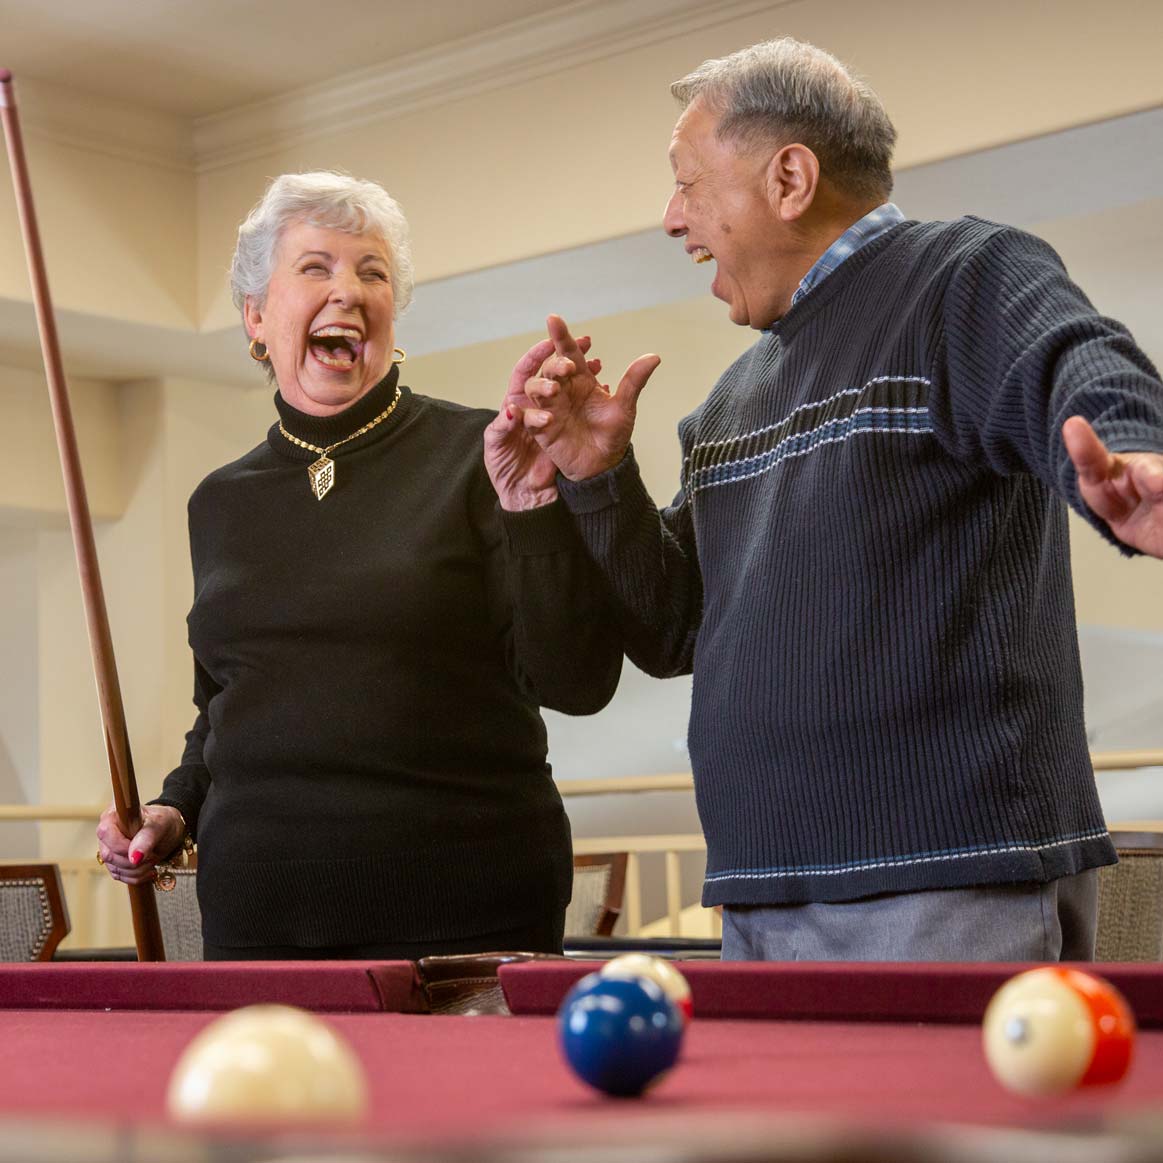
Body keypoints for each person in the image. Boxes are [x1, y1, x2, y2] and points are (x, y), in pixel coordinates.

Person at [486, 38, 1163, 962]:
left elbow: (1072, 360)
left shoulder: (959, 276)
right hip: (759, 894)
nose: (670, 218)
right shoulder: (727, 400)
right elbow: (675, 628)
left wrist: (1133, 447)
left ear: (790, 177)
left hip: (949, 877)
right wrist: (597, 474)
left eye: (687, 184)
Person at [96, 171, 622, 960]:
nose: (348, 290)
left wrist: (536, 513)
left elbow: (579, 682)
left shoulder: (487, 455)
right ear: (256, 316)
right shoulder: (220, 502)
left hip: (464, 915)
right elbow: (227, 706)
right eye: (315, 268)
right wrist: (176, 807)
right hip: (257, 920)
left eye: (371, 272)